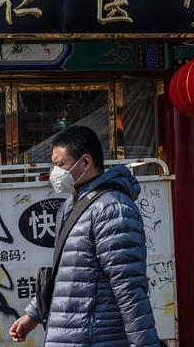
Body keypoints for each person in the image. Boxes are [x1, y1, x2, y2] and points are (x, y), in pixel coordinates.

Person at [9, 125, 160, 347]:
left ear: (86, 162)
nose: (55, 172)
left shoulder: (112, 209)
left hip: (92, 338)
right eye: (53, 165)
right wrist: (34, 314)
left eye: (60, 164)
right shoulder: (74, 206)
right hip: (71, 336)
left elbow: (128, 288)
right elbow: (68, 273)